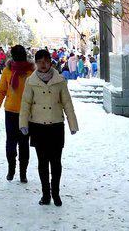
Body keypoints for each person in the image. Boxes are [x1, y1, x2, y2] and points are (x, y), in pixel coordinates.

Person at [19, 49, 79, 207]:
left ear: (51, 62)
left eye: (45, 61)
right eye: (39, 62)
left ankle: (56, 193)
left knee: (56, 162)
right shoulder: (31, 81)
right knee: (43, 162)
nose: (43, 64)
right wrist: (23, 123)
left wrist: (72, 123)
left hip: (56, 126)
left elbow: (67, 103)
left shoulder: (60, 80)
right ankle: (45, 194)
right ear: (36, 63)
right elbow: (25, 104)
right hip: (38, 126)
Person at [0, 44, 34, 182]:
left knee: (24, 143)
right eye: (17, 56)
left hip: (26, 113)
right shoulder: (7, 70)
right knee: (11, 143)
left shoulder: (31, 72)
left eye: (22, 55)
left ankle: (23, 173)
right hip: (10, 112)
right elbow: (1, 91)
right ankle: (11, 169)